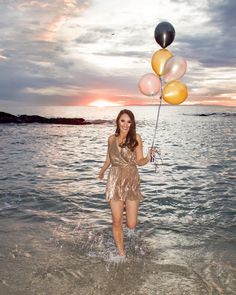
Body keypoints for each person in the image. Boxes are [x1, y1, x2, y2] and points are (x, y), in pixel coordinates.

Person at [98, 109, 154, 256]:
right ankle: (122, 254)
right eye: (123, 120)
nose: (125, 124)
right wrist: (102, 171)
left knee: (131, 223)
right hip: (115, 179)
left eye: (129, 121)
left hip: (131, 180)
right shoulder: (111, 139)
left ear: (132, 123)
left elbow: (140, 161)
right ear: (118, 121)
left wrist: (148, 157)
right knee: (116, 221)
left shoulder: (136, 138)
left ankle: (129, 233)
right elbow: (109, 159)